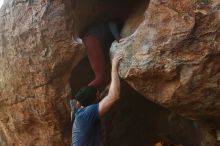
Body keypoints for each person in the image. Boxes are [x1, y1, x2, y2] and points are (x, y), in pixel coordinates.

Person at [72, 54, 123, 146]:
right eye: (98, 94)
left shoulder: (81, 109)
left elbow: (106, 93)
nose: (100, 94)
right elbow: (113, 96)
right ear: (95, 98)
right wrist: (114, 67)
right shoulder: (88, 112)